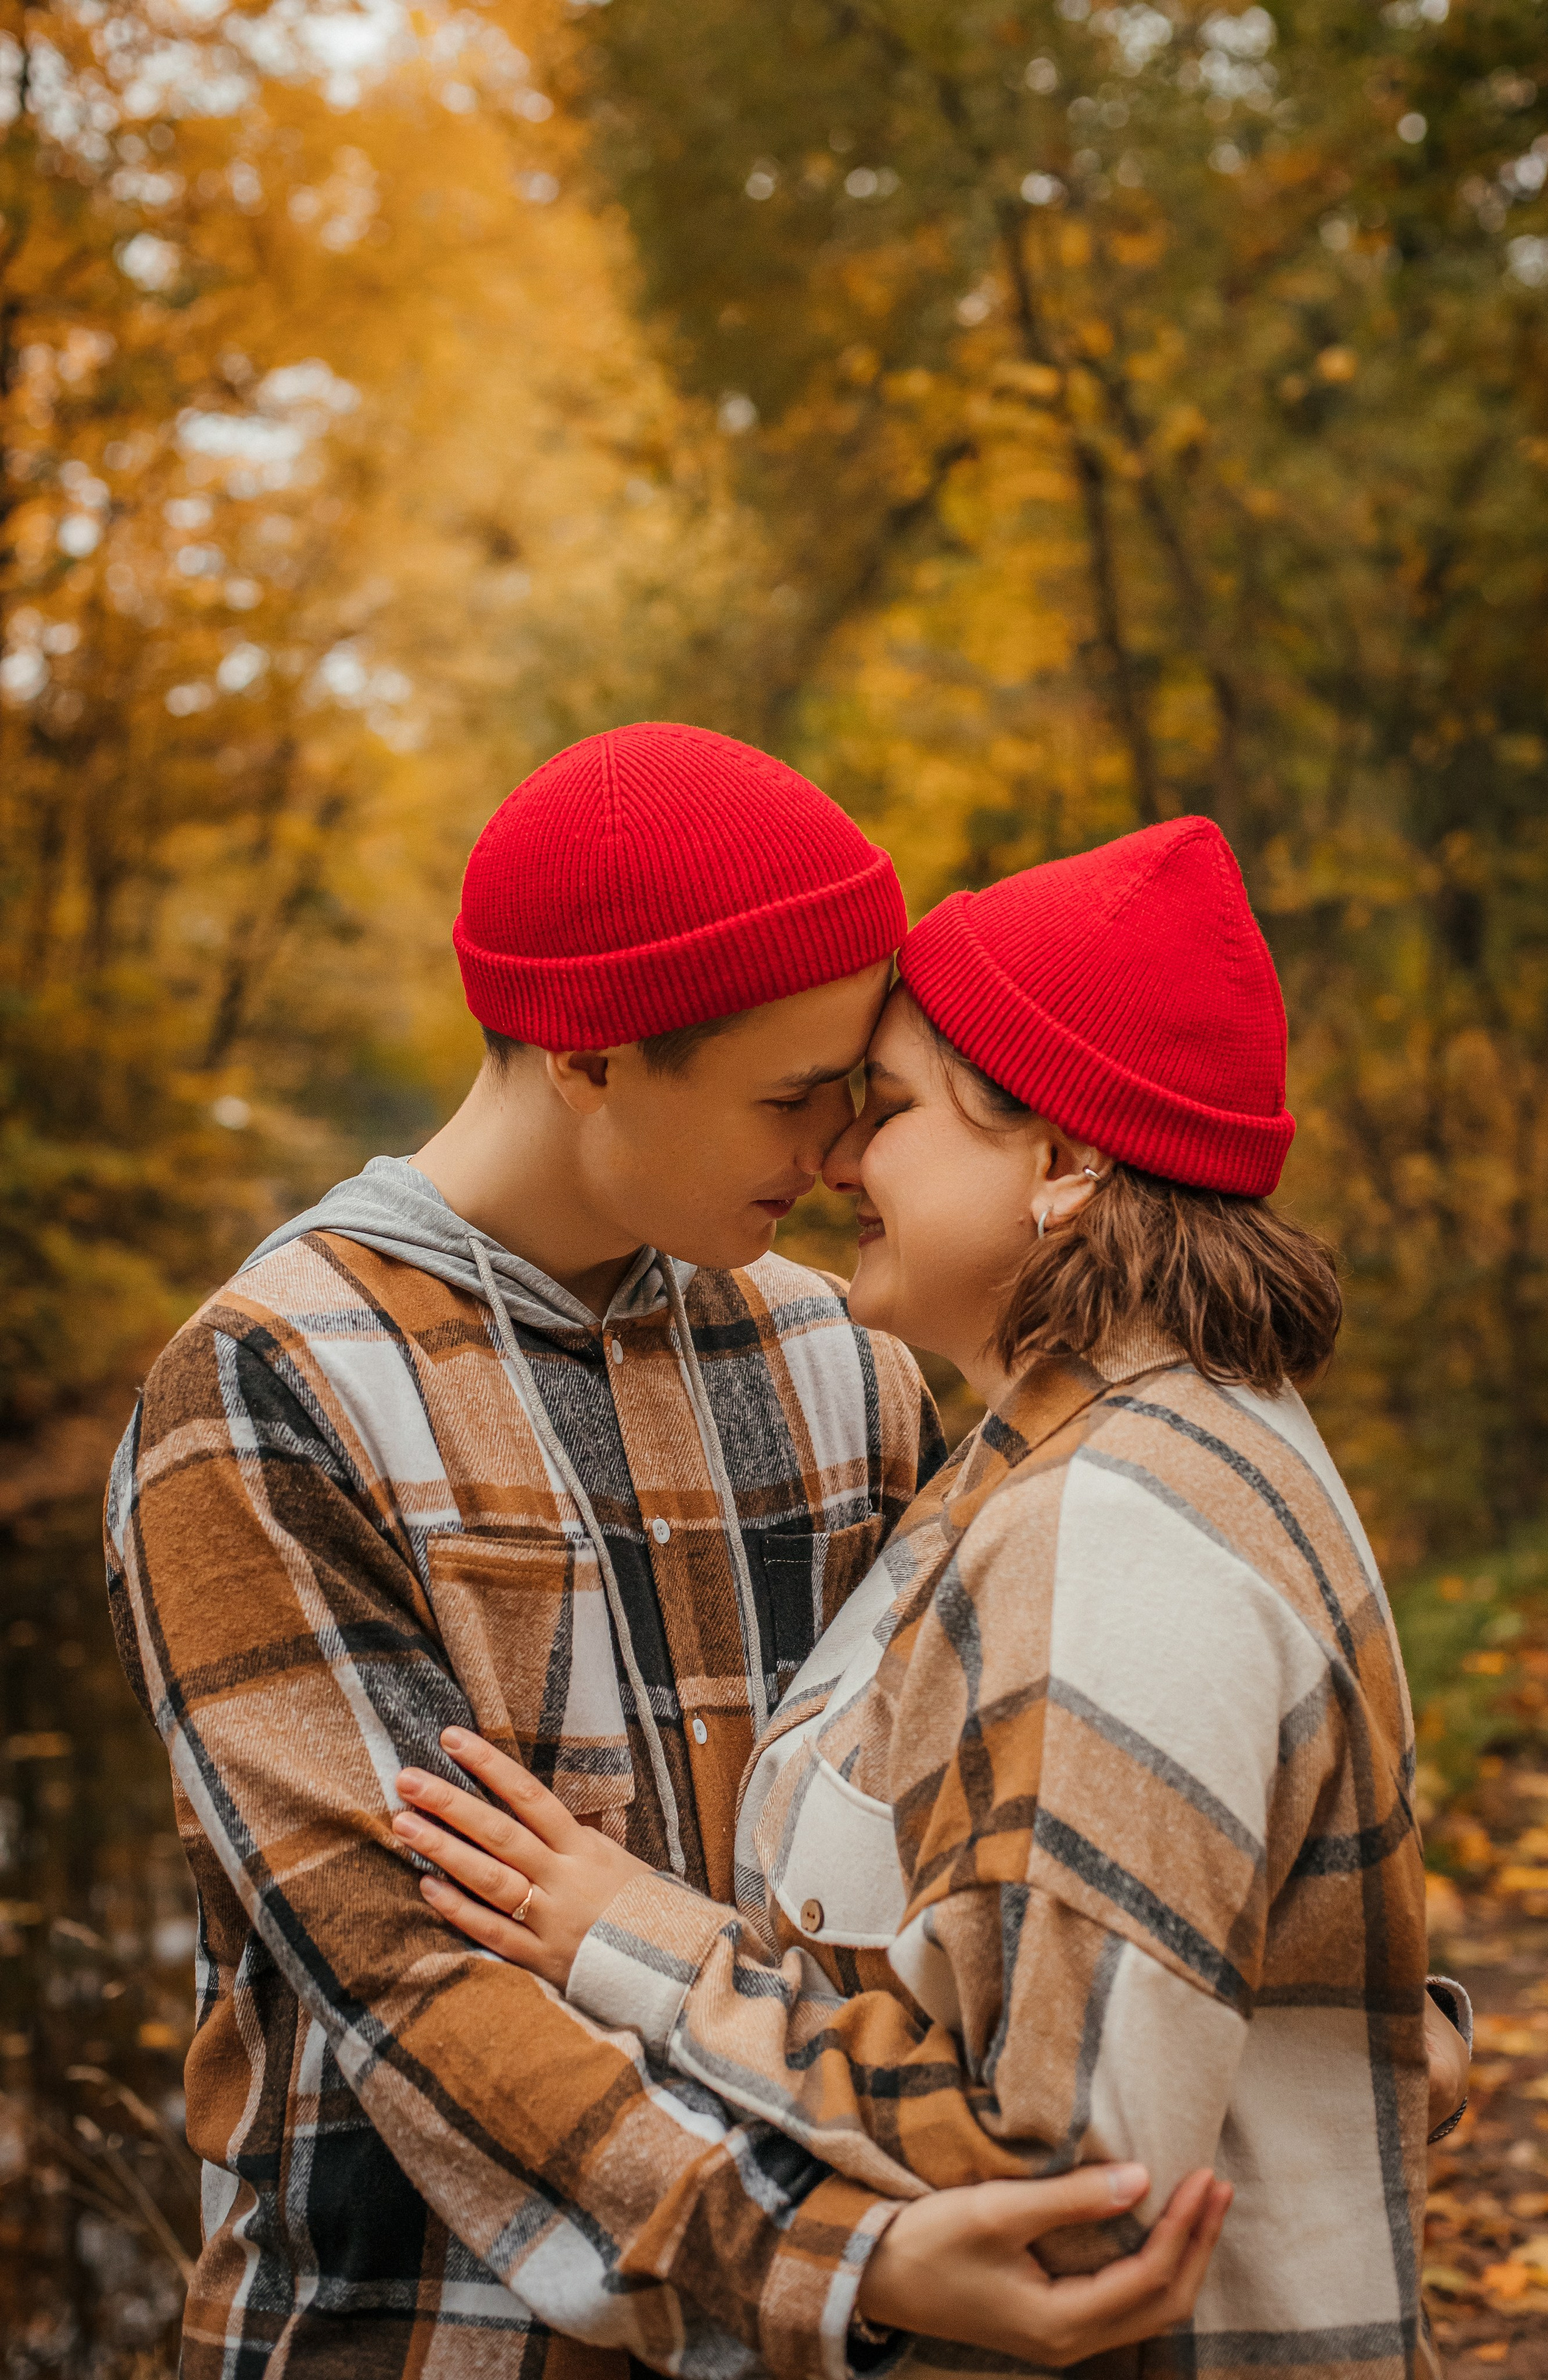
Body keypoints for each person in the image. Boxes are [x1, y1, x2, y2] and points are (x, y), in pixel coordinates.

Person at [105, 726, 1230, 2380]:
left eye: (863, 1096)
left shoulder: (840, 1356)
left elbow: (1006, 1806)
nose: (849, 1156)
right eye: (796, 1100)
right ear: (588, 1058)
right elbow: (411, 1985)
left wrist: (1273, 2008)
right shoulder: (272, 1384)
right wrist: (845, 2267)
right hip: (422, 2340)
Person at [389, 818, 1473, 2378]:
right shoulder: (1072, 1456)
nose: (834, 1158)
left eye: (885, 1112)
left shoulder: (1116, 1527)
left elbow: (1064, 2174)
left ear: (1066, 1159)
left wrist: (633, 1939)